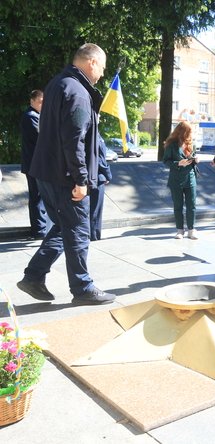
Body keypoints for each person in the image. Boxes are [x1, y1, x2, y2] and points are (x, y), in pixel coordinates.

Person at [16, 43, 115, 305]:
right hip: (65, 177)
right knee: (78, 231)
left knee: (63, 227)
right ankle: (82, 288)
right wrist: (81, 180)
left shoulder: (58, 83)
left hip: (47, 172)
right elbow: (74, 141)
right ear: (92, 62)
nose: (102, 74)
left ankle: (34, 276)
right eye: (102, 67)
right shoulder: (78, 92)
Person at [20, 89, 50, 239]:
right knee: (37, 197)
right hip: (34, 165)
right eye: (40, 102)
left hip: (34, 164)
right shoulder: (31, 117)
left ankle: (40, 229)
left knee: (38, 196)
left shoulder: (35, 116)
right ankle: (39, 230)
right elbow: (42, 138)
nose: (42, 105)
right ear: (32, 101)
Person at [163, 121, 199, 240]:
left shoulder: (190, 143)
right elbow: (166, 161)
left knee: (192, 205)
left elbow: (192, 156)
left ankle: (191, 229)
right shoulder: (171, 145)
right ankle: (180, 230)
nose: (190, 134)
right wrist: (178, 163)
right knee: (178, 205)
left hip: (190, 177)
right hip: (176, 179)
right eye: (188, 132)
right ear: (182, 132)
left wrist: (195, 160)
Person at [90, 135, 111, 241]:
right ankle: (94, 235)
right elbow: (99, 159)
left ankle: (93, 234)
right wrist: (107, 174)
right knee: (95, 210)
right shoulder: (94, 135)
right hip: (97, 177)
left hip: (94, 176)